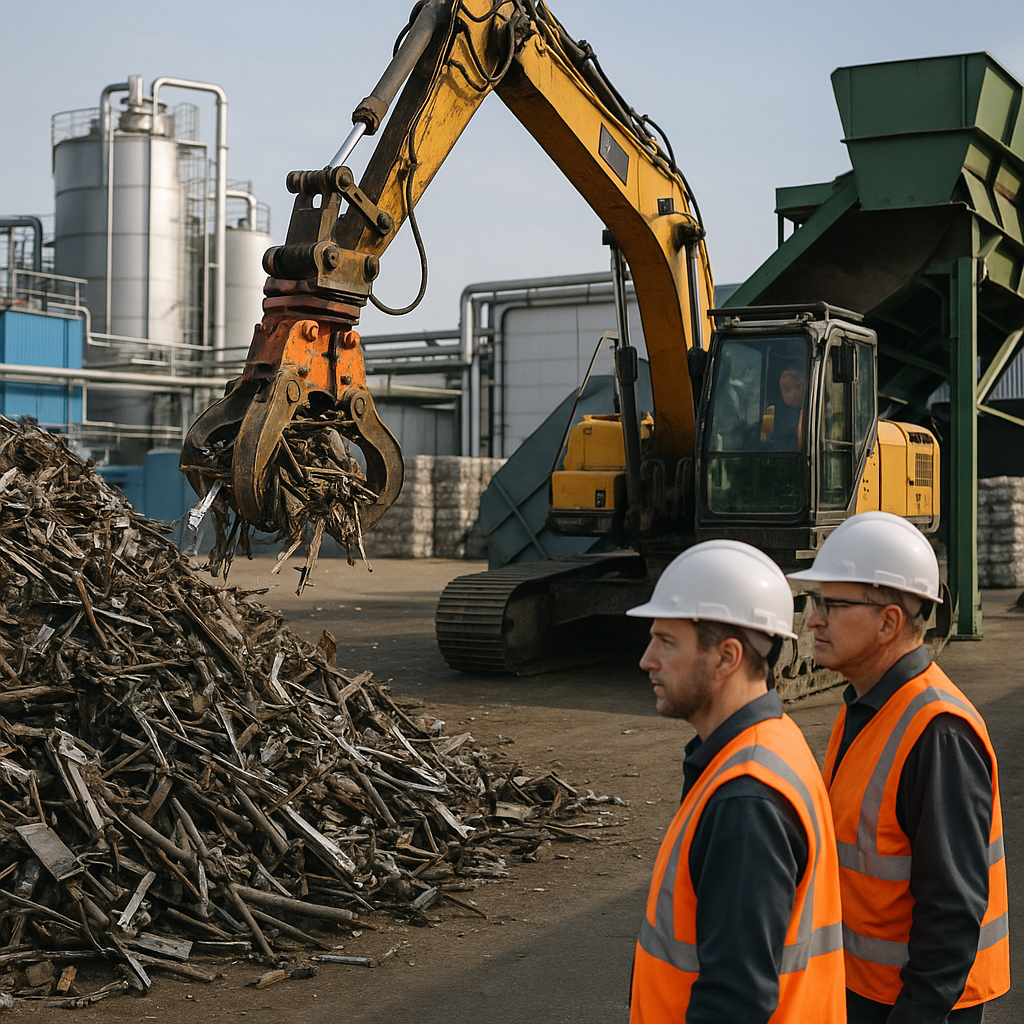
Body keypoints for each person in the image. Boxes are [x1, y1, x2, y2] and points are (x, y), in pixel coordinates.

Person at [789, 512, 1010, 1023]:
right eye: (814, 602)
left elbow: (952, 913)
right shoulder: (863, 705)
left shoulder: (938, 732)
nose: (812, 620)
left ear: (889, 622)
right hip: (864, 992)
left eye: (831, 604)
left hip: (914, 1007)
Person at [627, 540, 845, 1023]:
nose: (647, 659)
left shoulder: (747, 796)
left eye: (666, 641)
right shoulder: (771, 743)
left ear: (727, 657)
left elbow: (735, 1001)